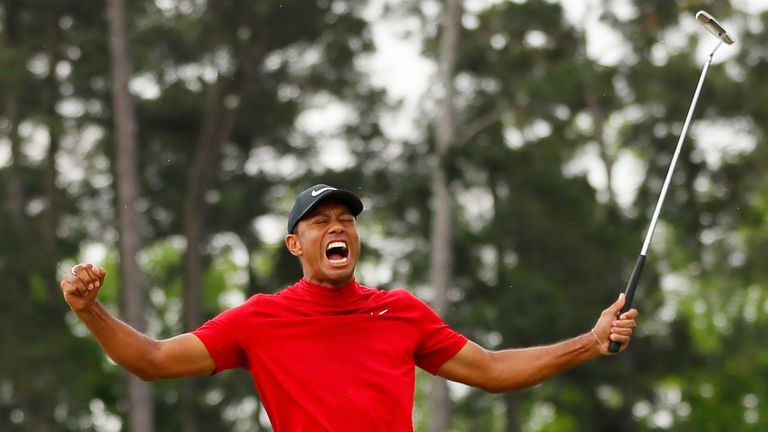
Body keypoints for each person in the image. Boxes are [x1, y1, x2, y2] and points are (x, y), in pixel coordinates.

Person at [61, 184, 638, 431]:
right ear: (296, 244)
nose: (337, 229)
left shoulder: (401, 312)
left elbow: (490, 372)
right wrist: (91, 311)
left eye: (347, 221)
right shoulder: (260, 319)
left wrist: (589, 341)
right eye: (321, 222)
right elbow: (155, 359)